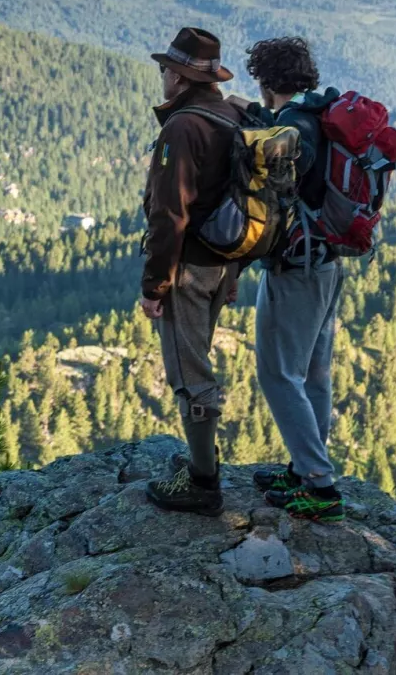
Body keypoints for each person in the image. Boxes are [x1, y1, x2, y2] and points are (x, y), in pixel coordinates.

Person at [141, 27, 244, 516]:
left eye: (165, 69)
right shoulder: (232, 115)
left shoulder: (182, 128)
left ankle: (203, 483)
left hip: (190, 268)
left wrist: (154, 285)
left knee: (189, 371)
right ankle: (203, 459)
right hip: (224, 263)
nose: (161, 76)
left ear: (179, 78)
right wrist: (236, 271)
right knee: (197, 359)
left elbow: (170, 215)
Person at [244, 37, 347, 522]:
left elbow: (275, 178)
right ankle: (304, 469)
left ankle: (320, 488)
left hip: (296, 267)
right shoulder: (320, 113)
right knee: (314, 373)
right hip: (327, 260)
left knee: (279, 373)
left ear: (266, 82)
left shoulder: (294, 127)